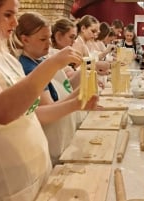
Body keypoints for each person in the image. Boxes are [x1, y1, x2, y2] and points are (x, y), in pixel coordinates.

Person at [0, 0, 96, 200]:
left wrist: (77, 102)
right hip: (8, 182)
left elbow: (29, 111)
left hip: (36, 169)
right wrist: (52, 64)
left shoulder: (3, 56)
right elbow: (0, 110)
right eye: (7, 15)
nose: (15, 23)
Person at [15, 12, 96, 165]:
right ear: (24, 40)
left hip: (63, 137)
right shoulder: (28, 67)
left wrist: (86, 79)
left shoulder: (43, 60)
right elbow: (48, 110)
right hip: (52, 142)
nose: (48, 43)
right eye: (43, 39)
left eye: (48, 37)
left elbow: (63, 89)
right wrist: (77, 99)